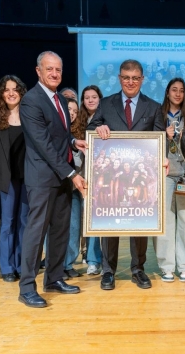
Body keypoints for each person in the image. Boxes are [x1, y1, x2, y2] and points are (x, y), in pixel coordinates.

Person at [87, 59, 166, 291]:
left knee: (139, 222)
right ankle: (108, 271)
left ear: (142, 79)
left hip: (139, 178)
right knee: (110, 221)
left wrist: (161, 159)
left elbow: (161, 138)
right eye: (126, 77)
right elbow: (91, 130)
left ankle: (138, 269)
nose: (130, 82)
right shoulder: (106, 103)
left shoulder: (153, 107)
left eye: (135, 78)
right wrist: (97, 128)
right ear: (119, 78)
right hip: (113, 177)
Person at [18, 51, 87, 308]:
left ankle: (54, 278)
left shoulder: (58, 98)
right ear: (38, 71)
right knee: (36, 234)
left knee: (61, 230)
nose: (55, 74)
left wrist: (72, 141)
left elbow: (57, 135)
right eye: (49, 69)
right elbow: (43, 144)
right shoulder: (31, 101)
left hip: (61, 176)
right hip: (42, 178)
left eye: (58, 69)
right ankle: (26, 288)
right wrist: (72, 174)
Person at [156, 78, 185, 282]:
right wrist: (162, 135)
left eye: (181, 91)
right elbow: (147, 144)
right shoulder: (156, 116)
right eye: (174, 90)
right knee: (164, 221)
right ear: (167, 92)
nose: (177, 94)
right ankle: (166, 266)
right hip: (163, 175)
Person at [0, 75, 28, 283]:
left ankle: (22, 265)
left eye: (15, 89)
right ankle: (7, 267)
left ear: (21, 92)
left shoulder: (31, 116)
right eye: (7, 89)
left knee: (24, 222)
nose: (11, 93)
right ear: (1, 94)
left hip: (28, 178)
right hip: (7, 178)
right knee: (8, 223)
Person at [78, 85, 104, 272]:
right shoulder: (77, 120)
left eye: (94, 97)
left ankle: (95, 260)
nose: (90, 100)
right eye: (87, 97)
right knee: (84, 218)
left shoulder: (107, 119)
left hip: (101, 176)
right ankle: (85, 254)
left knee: (96, 218)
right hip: (80, 174)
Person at [62, 97, 87, 278]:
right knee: (54, 228)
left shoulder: (81, 134)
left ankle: (68, 264)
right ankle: (53, 263)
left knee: (73, 227)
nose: (71, 113)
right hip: (56, 186)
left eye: (75, 111)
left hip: (75, 188)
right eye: (68, 109)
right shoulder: (53, 129)